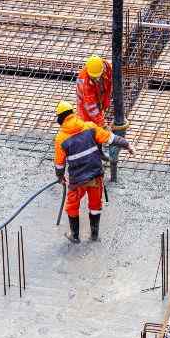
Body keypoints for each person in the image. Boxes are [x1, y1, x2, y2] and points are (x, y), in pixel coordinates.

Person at [54, 101, 132, 243]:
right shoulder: (89, 127)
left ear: (60, 119)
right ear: (73, 114)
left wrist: (60, 177)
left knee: (72, 205)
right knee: (95, 204)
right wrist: (126, 144)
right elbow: (110, 138)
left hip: (78, 180)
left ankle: (75, 236)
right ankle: (94, 235)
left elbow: (59, 164)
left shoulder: (61, 138)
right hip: (96, 175)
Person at [76, 54, 113, 127]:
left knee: (102, 108)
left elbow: (110, 83)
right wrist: (102, 124)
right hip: (85, 102)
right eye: (94, 77)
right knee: (88, 125)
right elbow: (91, 107)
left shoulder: (107, 66)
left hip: (100, 92)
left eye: (98, 76)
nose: (97, 79)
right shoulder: (85, 83)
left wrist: (106, 101)